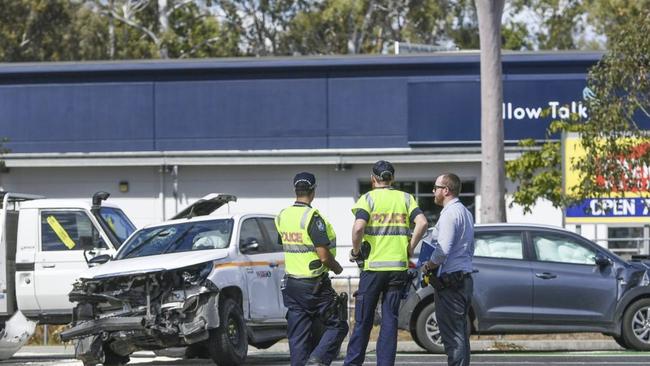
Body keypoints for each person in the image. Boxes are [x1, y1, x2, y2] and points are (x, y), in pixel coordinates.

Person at [344, 161, 428, 366]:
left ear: (373, 179)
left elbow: (358, 229)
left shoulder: (368, 199)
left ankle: (353, 363)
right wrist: (410, 246)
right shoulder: (405, 198)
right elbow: (423, 223)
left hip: (373, 269)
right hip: (397, 269)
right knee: (389, 320)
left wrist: (356, 252)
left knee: (363, 320)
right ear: (392, 178)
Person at [275, 172, 349, 366]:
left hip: (292, 284)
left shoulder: (283, 215)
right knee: (338, 325)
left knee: (298, 336)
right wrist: (338, 268)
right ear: (313, 190)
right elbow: (323, 255)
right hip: (314, 285)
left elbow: (283, 243)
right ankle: (317, 360)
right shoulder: (312, 217)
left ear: (295, 190)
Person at [423, 173, 475, 366]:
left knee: (453, 337)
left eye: (436, 187)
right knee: (460, 334)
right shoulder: (465, 212)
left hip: (451, 282)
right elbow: (469, 247)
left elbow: (442, 251)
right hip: (463, 278)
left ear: (446, 190)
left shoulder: (450, 214)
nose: (433, 191)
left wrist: (428, 265)